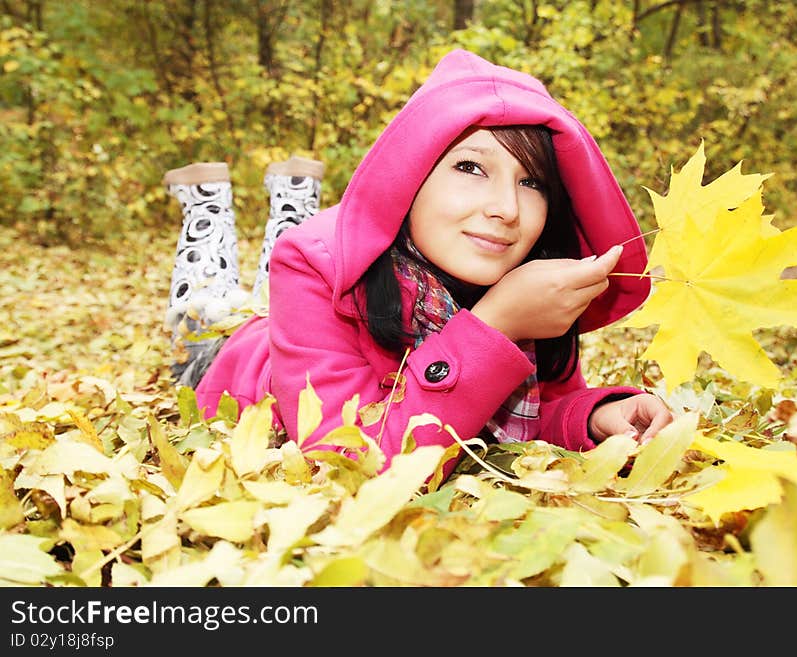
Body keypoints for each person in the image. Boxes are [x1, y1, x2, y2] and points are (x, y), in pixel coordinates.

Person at [163, 48, 674, 479]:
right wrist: (495, 326)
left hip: (299, 316)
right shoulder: (311, 265)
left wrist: (601, 416)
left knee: (283, 249)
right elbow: (352, 462)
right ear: (410, 176)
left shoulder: (522, 274)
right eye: (470, 167)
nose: (507, 209)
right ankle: (209, 207)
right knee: (210, 304)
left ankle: (291, 201)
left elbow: (540, 411)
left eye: (532, 181)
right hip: (235, 362)